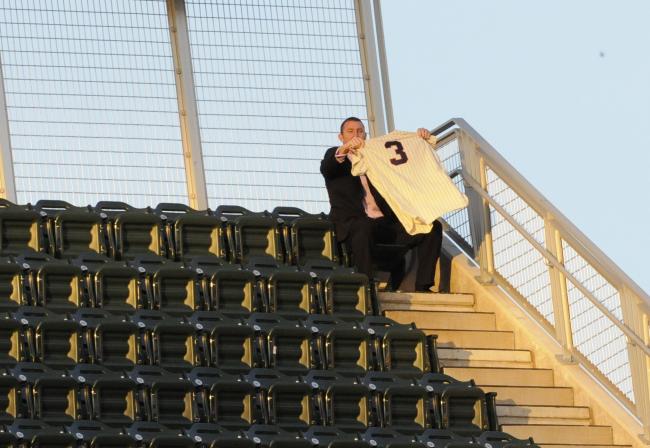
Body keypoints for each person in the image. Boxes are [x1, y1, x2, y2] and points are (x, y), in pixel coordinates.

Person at [320, 117, 443, 292]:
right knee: (364, 226)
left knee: (433, 227)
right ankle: (366, 287)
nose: (356, 135)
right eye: (350, 131)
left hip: (384, 225)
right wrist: (344, 150)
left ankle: (423, 286)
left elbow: (405, 163)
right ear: (341, 137)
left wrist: (419, 141)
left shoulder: (377, 156)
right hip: (352, 226)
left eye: (360, 131)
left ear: (365, 134)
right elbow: (328, 167)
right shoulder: (335, 155)